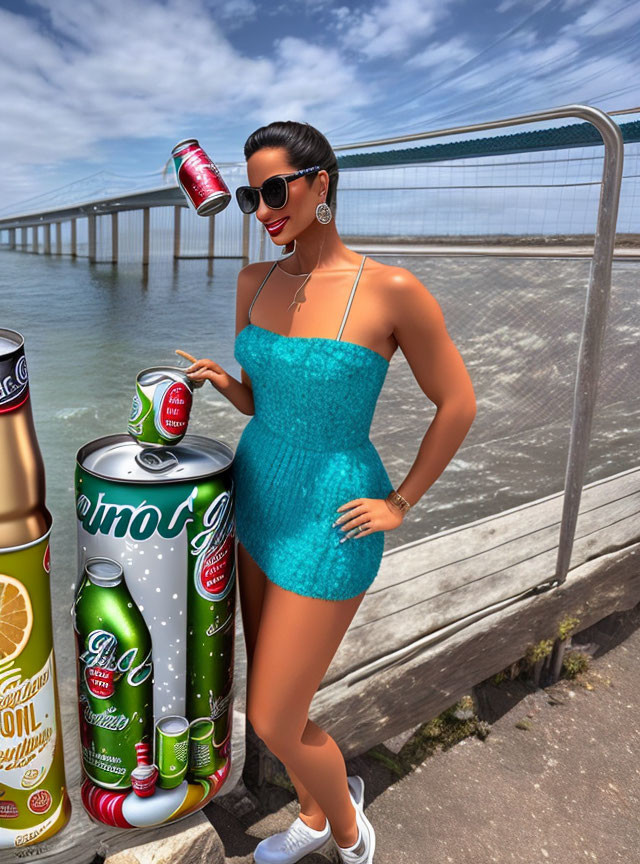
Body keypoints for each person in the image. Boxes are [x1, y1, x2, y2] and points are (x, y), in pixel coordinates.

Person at [185, 120, 476, 864]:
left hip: (333, 514)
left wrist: (400, 502)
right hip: (255, 497)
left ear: (321, 184)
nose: (261, 208)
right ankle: (313, 808)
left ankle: (347, 829)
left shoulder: (392, 290)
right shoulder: (256, 281)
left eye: (275, 189)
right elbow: (270, 401)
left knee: (276, 716)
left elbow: (458, 403)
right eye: (251, 194)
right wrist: (228, 385)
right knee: (274, 696)